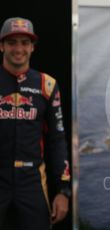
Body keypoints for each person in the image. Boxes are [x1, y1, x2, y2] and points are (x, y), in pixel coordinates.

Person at [0, 17, 71, 230]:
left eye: (24, 42)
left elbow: (57, 140)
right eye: (12, 42)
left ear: (32, 47)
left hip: (32, 181)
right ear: (1, 45)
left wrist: (63, 191)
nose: (18, 48)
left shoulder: (47, 84)